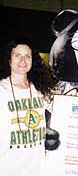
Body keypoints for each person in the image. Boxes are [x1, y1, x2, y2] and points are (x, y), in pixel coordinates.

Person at [0, 36, 59, 176]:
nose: (23, 60)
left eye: (27, 56)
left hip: (37, 167)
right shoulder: (1, 89)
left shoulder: (41, 90)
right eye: (17, 55)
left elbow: (62, 111)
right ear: (9, 59)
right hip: (7, 167)